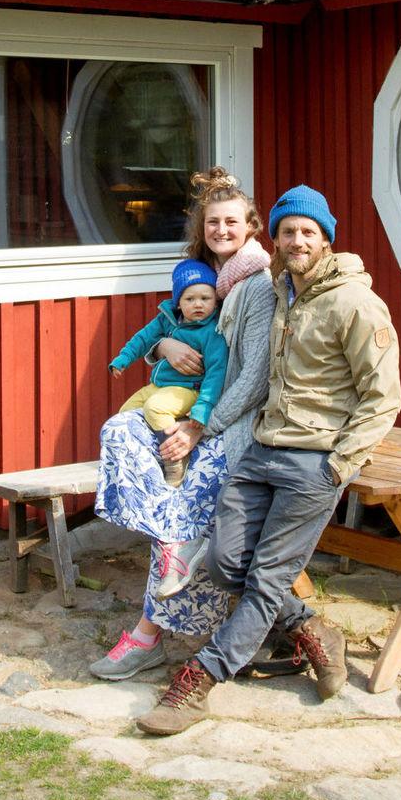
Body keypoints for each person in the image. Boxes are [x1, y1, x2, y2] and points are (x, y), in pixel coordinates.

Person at [136, 184, 400, 736]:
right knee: (224, 563)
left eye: (309, 231)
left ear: (326, 239)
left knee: (264, 580)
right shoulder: (279, 293)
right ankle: (311, 629)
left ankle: (198, 682)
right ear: (274, 241)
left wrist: (339, 465)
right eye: (288, 231)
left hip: (314, 461)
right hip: (263, 450)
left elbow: (383, 397)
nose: (298, 240)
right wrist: (162, 345)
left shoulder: (354, 302)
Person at [91, 167, 275, 681]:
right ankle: (170, 542)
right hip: (181, 405)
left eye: (231, 222)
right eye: (212, 221)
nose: (221, 229)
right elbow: (173, 343)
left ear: (251, 227)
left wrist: (201, 428)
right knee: (119, 431)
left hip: (230, 420)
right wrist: (160, 347)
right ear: (202, 228)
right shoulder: (198, 276)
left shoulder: (255, 286)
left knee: (188, 491)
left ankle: (147, 632)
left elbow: (255, 375)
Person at [109, 259, 230, 488]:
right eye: (190, 299)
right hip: (160, 386)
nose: (198, 305)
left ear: (215, 299)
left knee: (154, 407)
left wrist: (203, 407)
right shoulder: (168, 319)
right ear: (178, 302)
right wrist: (123, 359)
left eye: (206, 298)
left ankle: (175, 459)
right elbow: (143, 338)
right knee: (125, 414)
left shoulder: (212, 332)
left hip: (189, 389)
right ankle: (147, 460)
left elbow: (216, 373)